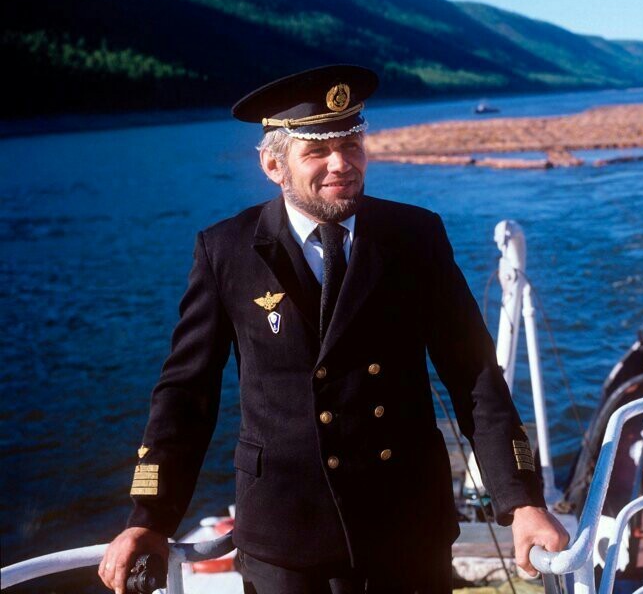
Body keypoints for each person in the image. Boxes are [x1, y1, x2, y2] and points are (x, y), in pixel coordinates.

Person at [98, 65, 569, 594]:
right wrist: (150, 517)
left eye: (351, 143)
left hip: (406, 528)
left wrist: (522, 500)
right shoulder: (225, 251)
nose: (341, 164)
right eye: (317, 151)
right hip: (284, 537)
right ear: (273, 165)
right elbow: (187, 394)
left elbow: (474, 374)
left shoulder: (415, 237)